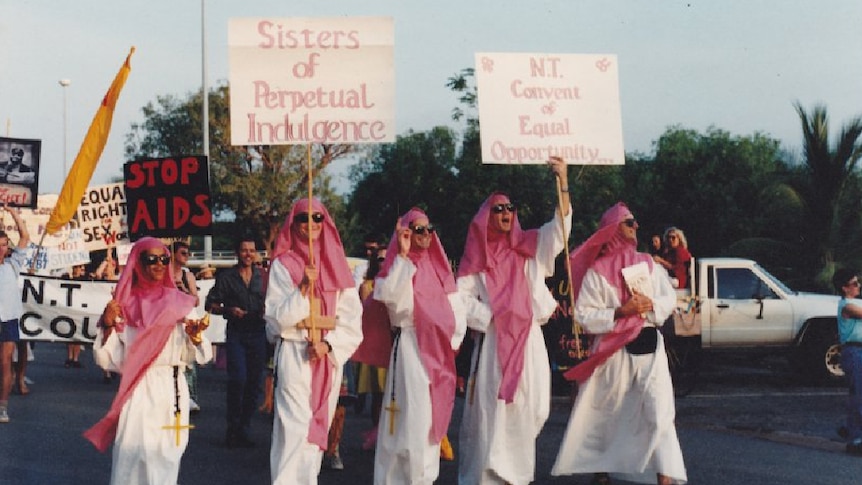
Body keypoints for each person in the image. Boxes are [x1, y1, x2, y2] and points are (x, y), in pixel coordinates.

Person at [552, 202, 686, 485]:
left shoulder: (648, 264)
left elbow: (669, 299)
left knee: (660, 412)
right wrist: (620, 312)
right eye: (629, 222)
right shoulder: (597, 272)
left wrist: (650, 306)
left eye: (635, 222)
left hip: (650, 347)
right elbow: (584, 315)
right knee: (605, 412)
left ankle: (665, 478)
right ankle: (600, 469)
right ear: (613, 228)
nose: (636, 226)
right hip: (614, 353)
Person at [457, 157, 571, 485]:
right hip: (495, 342)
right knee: (494, 410)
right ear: (486, 217)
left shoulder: (531, 247)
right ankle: (491, 477)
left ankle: (516, 473)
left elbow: (561, 228)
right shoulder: (476, 258)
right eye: (499, 210)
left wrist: (562, 180)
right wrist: (490, 315)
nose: (506, 214)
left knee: (533, 407)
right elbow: (458, 298)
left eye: (510, 209)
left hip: (529, 339)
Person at [82, 237, 212, 485]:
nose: (159, 264)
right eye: (151, 259)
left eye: (164, 258)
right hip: (137, 388)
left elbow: (202, 355)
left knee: (165, 459)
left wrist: (195, 338)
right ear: (137, 262)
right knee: (131, 457)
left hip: (171, 388)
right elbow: (107, 359)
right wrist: (107, 324)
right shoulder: (123, 305)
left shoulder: (181, 303)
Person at [264, 198, 362, 485]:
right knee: (293, 429)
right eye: (304, 218)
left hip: (327, 358)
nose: (311, 224)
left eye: (317, 218)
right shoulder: (283, 265)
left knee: (316, 430)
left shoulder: (338, 265)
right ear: (293, 224)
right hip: (295, 353)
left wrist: (329, 345)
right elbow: (277, 319)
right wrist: (304, 288)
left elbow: (352, 321)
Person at [366, 208, 466, 484]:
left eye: (428, 229)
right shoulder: (398, 266)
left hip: (440, 353)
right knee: (411, 422)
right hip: (411, 348)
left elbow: (458, 313)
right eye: (417, 229)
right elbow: (392, 303)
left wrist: (449, 342)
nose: (424, 234)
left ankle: (424, 478)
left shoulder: (439, 269)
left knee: (432, 422)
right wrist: (401, 255)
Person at [206, 237, 267, 448]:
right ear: (237, 253)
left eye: (252, 250)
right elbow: (210, 304)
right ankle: (232, 428)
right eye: (244, 250)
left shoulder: (263, 277)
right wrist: (228, 310)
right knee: (238, 380)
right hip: (237, 334)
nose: (248, 254)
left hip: (258, 333)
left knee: (254, 383)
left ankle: (245, 427)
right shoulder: (226, 277)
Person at [0, 204, 29, 422]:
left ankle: (3, 407)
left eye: (3, 245)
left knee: (6, 362)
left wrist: (13, 213)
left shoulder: (12, 265)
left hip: (8, 319)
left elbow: (25, 236)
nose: (1, 248)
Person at [833, 268, 862, 456]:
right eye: (854, 283)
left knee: (856, 397)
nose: (858, 285)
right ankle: (856, 438)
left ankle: (853, 434)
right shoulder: (847, 306)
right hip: (854, 351)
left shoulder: (855, 303)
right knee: (859, 397)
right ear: (845, 288)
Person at [172, 241, 201, 413]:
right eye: (183, 253)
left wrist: (183, 289)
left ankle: (191, 396)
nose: (186, 256)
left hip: (186, 321)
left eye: (187, 253)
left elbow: (196, 300)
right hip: (170, 321)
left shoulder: (187, 276)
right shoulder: (165, 273)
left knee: (188, 358)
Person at [64, 264, 89, 369]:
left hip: (79, 309)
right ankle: (69, 357)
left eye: (80, 268)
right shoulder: (66, 277)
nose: (78, 270)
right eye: (76, 267)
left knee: (78, 334)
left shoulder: (83, 279)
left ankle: (75, 358)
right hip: (69, 308)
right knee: (70, 334)